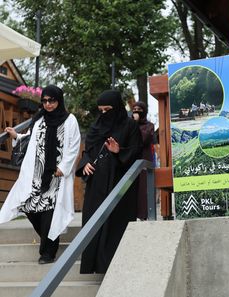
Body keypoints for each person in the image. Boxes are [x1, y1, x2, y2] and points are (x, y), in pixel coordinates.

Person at [0, 85, 81, 264]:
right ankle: (48, 239)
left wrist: (64, 167)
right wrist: (16, 136)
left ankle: (47, 252)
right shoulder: (39, 119)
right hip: (36, 173)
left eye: (51, 100)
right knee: (29, 207)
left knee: (50, 212)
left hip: (56, 175)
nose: (48, 104)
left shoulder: (69, 120)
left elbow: (74, 145)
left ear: (59, 100)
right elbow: (30, 140)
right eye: (44, 101)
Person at [77, 90, 143, 274]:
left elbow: (137, 152)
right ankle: (93, 265)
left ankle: (112, 268)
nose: (104, 114)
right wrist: (85, 163)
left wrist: (119, 150)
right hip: (97, 183)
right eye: (101, 110)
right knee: (94, 221)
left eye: (108, 109)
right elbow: (88, 151)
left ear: (117, 107)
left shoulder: (129, 126)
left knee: (115, 224)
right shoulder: (96, 126)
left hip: (119, 183)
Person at [132, 101, 155, 220]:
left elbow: (143, 139)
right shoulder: (129, 125)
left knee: (143, 190)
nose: (136, 111)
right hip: (131, 161)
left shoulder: (149, 126)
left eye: (139, 109)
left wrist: (135, 124)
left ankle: (144, 216)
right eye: (134, 109)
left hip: (144, 161)